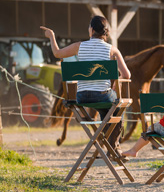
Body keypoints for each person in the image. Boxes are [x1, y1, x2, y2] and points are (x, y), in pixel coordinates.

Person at [40, 15, 131, 161]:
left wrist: (51, 36)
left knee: (106, 110)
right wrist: (116, 82)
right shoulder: (112, 50)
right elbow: (127, 74)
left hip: (81, 97)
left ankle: (110, 147)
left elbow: (57, 53)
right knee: (117, 107)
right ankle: (114, 147)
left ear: (92, 30)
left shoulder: (78, 46)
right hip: (103, 95)